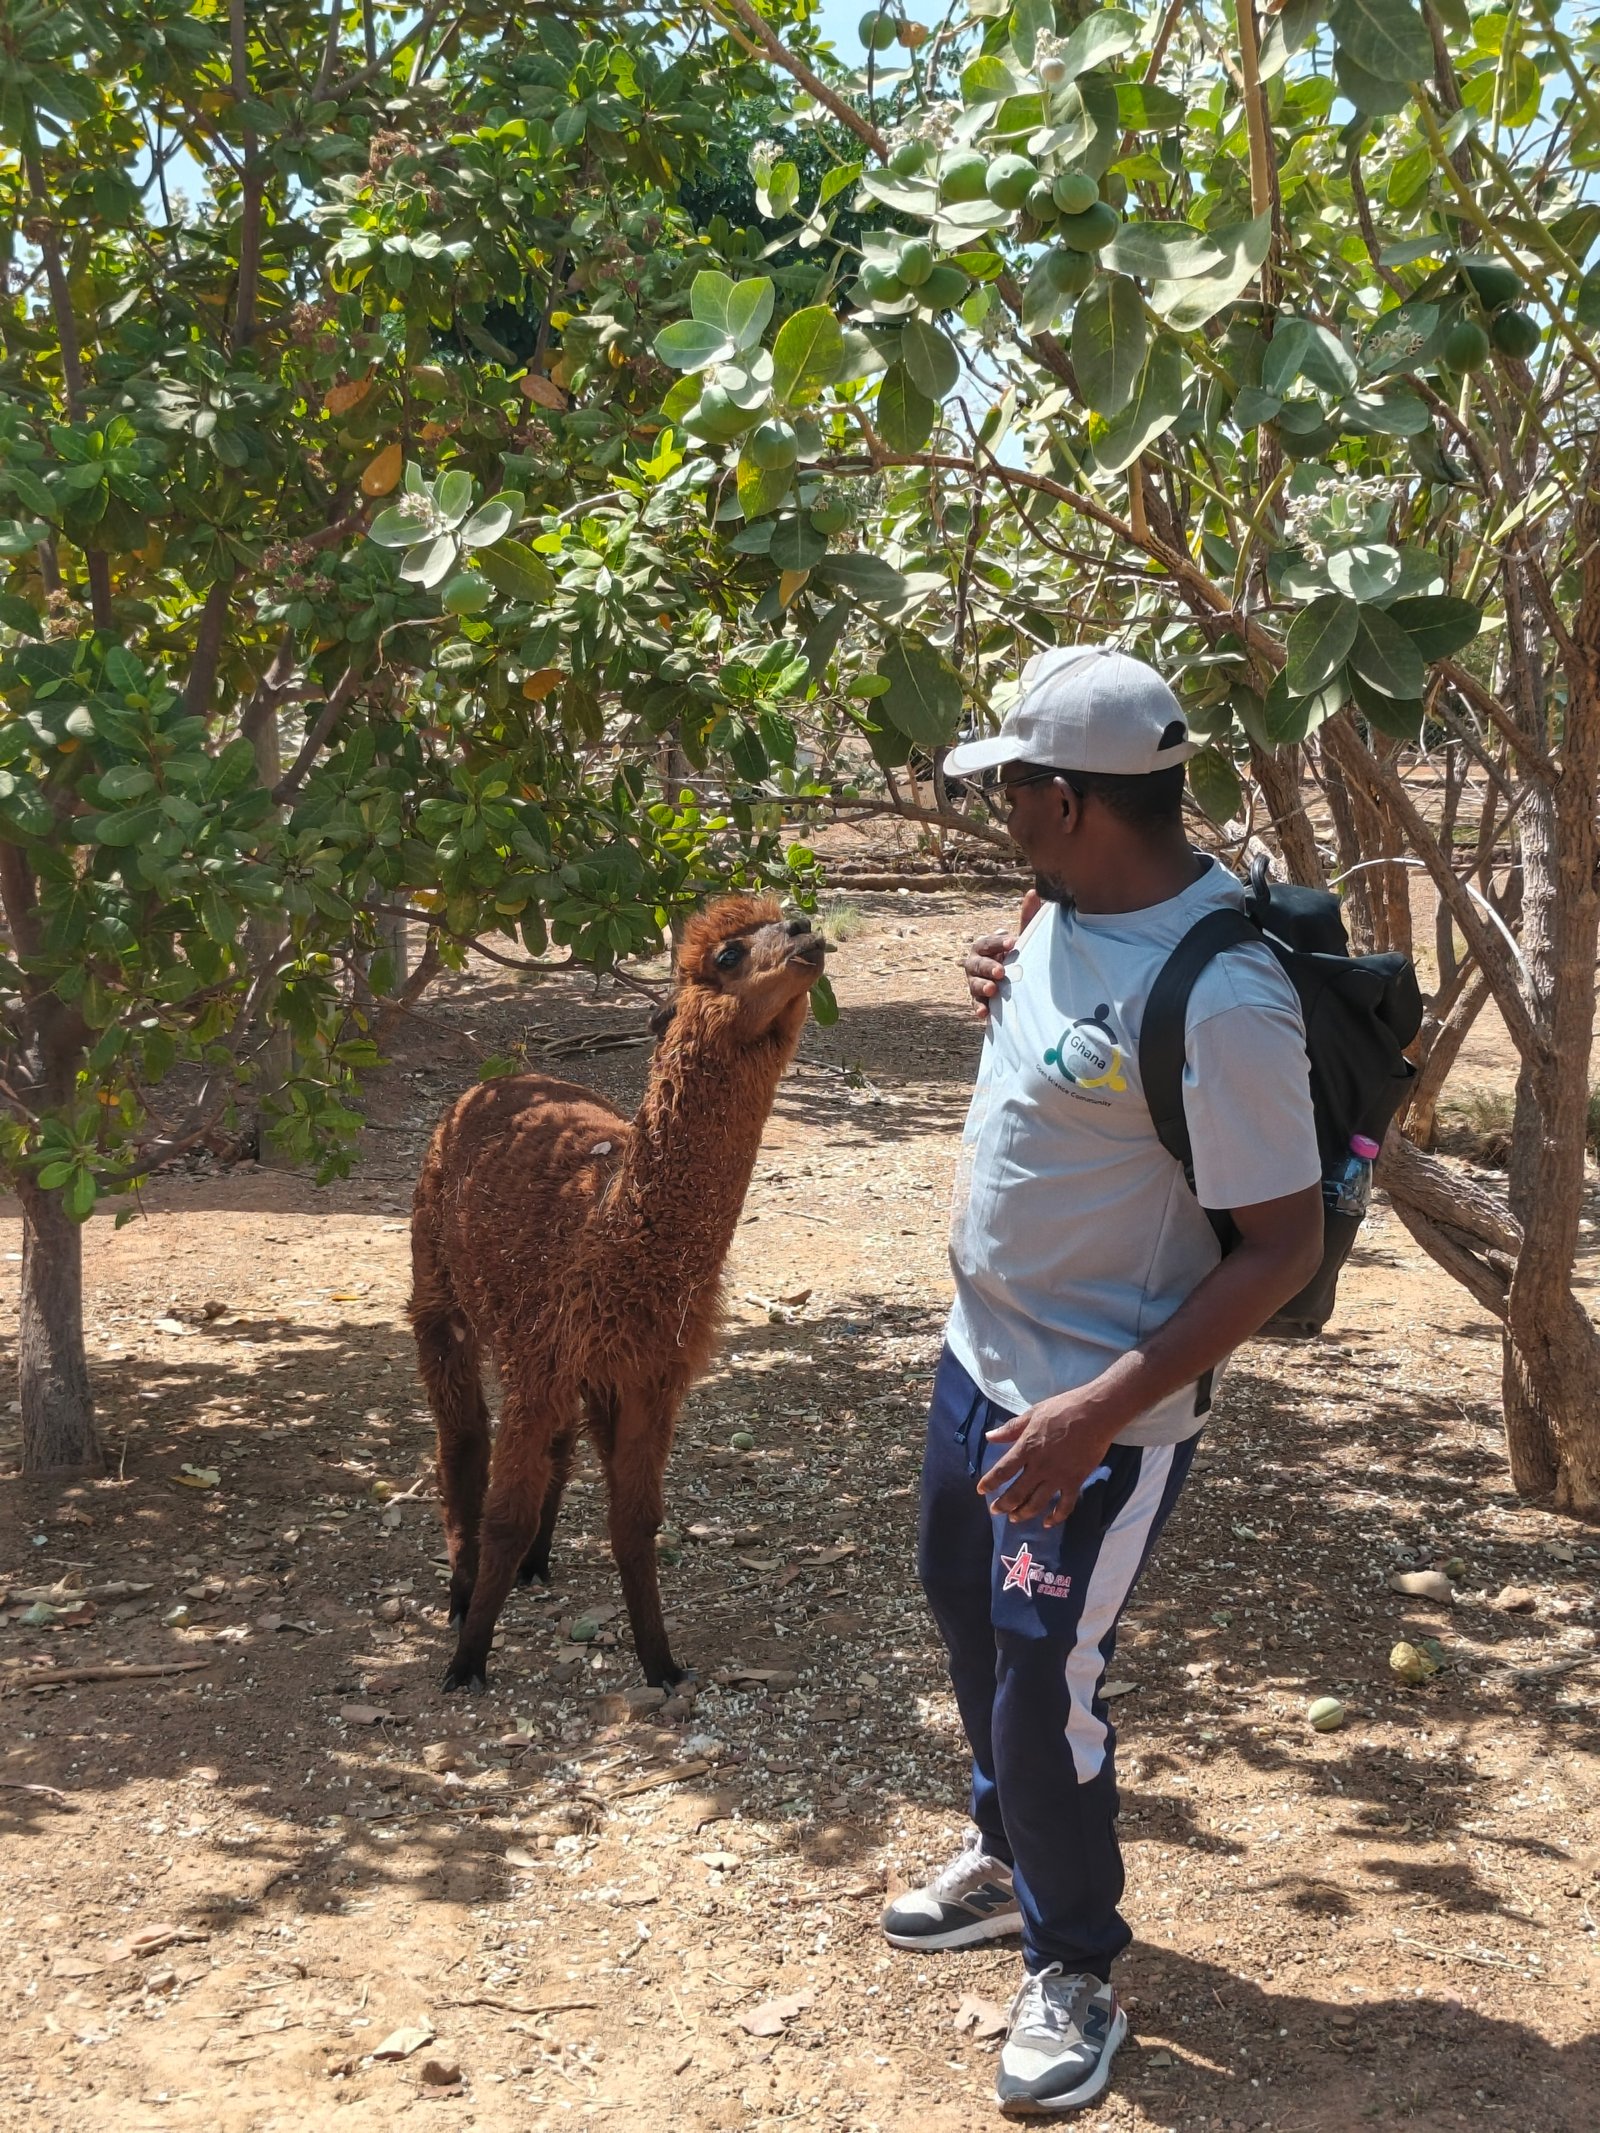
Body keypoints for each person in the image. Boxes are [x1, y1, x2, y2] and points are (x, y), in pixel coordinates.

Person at [882, 645, 1325, 2118]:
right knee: (967, 1614)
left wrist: (1094, 1415)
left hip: (1093, 1413)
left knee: (1043, 1680)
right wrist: (1011, 995)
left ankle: (1074, 1961)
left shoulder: (1228, 998)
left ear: (1067, 798)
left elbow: (1276, 1247)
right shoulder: (1061, 908)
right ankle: (1015, 1861)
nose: (999, 814)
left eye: (1011, 790)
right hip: (982, 1356)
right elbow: (1077, 1072)